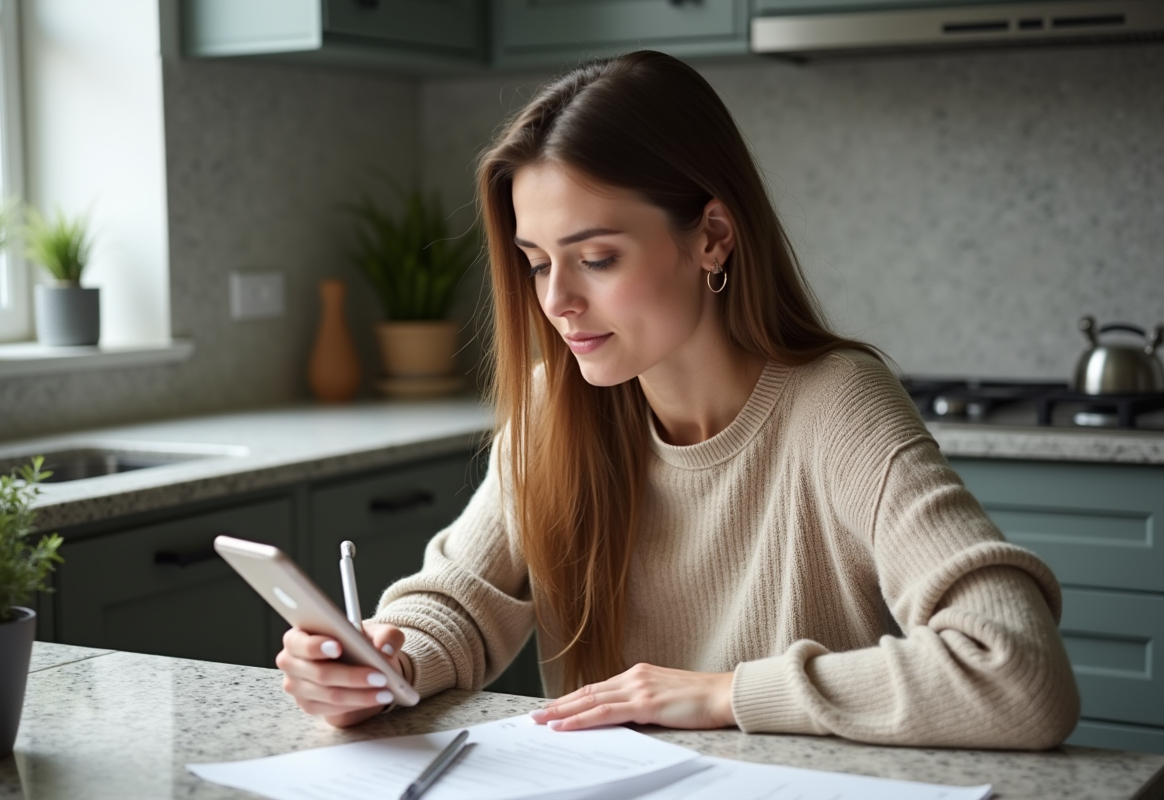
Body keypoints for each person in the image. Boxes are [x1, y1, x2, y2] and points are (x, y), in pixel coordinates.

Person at [276, 50, 1080, 749]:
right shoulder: (559, 402)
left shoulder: (836, 406)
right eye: (535, 261)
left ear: (712, 237)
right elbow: (460, 597)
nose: (557, 302)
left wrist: (720, 693)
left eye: (595, 257)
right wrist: (388, 660)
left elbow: (1017, 670)